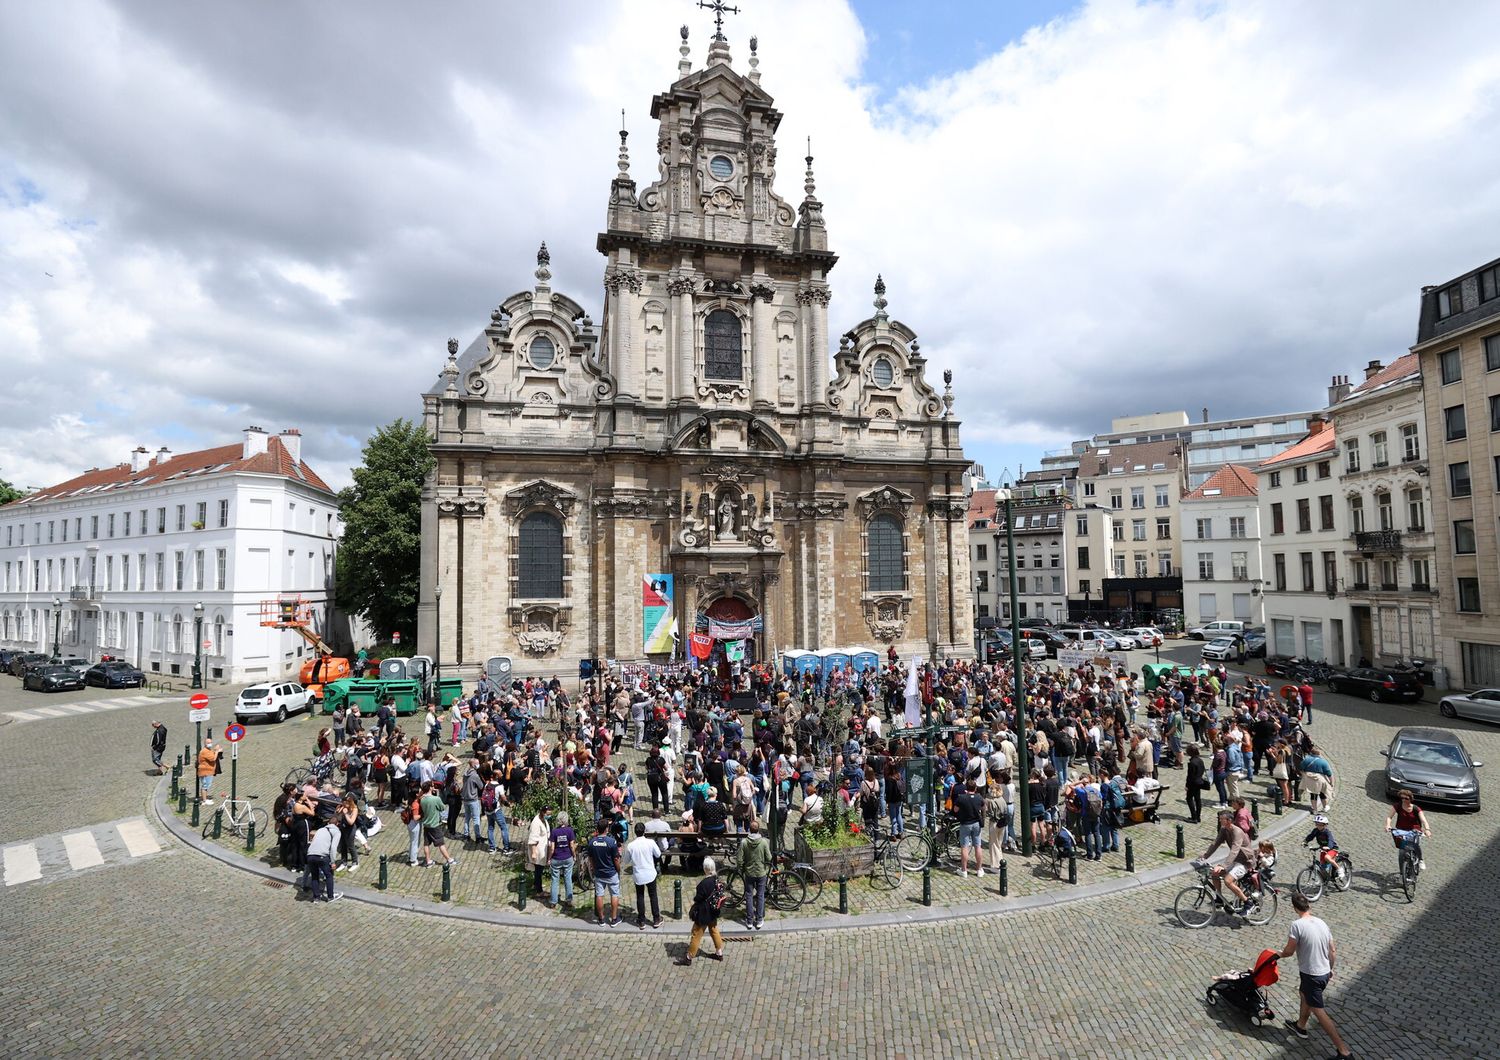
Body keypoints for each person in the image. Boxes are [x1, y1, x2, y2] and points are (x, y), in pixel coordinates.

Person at [1279, 891, 1353, 1058]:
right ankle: (1300, 1026)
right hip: (1324, 972)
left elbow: (1289, 951)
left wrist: (1278, 954)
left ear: (1294, 908)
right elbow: (1332, 950)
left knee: (1318, 1011)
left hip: (1311, 974)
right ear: (1309, 905)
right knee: (1304, 994)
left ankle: (1343, 1051)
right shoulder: (1322, 922)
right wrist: (1330, 969)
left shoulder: (1297, 925)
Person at [675, 858, 727, 966]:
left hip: (704, 913)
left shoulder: (703, 884)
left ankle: (689, 957)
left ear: (705, 869)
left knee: (696, 934)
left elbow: (698, 898)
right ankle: (719, 952)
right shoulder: (716, 879)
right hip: (713, 911)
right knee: (714, 930)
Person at [1201, 808, 1253, 911]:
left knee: (1228, 881)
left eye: (1222, 819)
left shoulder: (1237, 832)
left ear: (1229, 821)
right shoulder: (1224, 829)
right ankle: (1219, 899)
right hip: (1235, 860)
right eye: (1220, 819)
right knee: (1214, 874)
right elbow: (1216, 843)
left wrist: (1223, 866)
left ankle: (1248, 902)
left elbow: (1235, 850)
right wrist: (1205, 856)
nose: (1220, 821)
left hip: (1245, 862)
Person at [625, 822, 663, 929]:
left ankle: (641, 920)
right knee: (653, 895)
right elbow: (658, 854)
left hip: (638, 874)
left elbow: (626, 860)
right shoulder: (650, 842)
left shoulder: (631, 846)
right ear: (644, 831)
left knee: (640, 896)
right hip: (650, 872)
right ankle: (656, 919)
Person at [586, 817, 623, 926]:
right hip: (611, 873)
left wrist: (594, 869)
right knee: (614, 895)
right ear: (607, 829)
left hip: (599, 873)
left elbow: (591, 859)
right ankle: (614, 919)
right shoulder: (611, 842)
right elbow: (616, 859)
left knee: (599, 895)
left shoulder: (592, 842)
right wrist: (618, 869)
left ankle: (601, 919)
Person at [736, 821, 772, 929]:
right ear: (758, 829)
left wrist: (741, 869)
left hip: (749, 873)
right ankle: (759, 919)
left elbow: (739, 859)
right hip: (761, 872)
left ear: (750, 830)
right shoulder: (764, 842)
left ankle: (749, 920)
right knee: (760, 896)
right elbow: (769, 858)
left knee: (749, 895)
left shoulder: (744, 842)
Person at [1385, 788, 1431, 871]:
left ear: (1410, 799)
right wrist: (1388, 825)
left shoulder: (1416, 809)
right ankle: (1403, 871)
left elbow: (1424, 820)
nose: (1404, 800)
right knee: (1402, 849)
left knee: (1415, 845)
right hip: (1401, 830)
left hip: (1414, 830)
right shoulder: (1397, 806)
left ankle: (1420, 860)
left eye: (1406, 798)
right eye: (1402, 798)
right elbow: (1389, 816)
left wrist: (1427, 829)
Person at [419, 781, 458, 868]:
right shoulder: (435, 799)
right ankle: (449, 859)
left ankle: (428, 861)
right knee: (440, 843)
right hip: (435, 824)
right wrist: (436, 796)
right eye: (432, 786)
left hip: (426, 824)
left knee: (426, 844)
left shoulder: (422, 799)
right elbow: (442, 808)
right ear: (430, 788)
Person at [304, 815, 343, 903]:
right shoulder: (337, 832)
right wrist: (333, 862)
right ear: (337, 824)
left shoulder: (320, 830)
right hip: (322, 856)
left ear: (328, 823)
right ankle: (330, 897)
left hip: (310, 855)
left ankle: (316, 898)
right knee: (328, 875)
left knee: (314, 876)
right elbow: (333, 848)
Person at [952, 780, 984, 877]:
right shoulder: (979, 797)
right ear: (975, 788)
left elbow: (955, 809)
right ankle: (979, 869)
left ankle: (964, 870)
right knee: (978, 846)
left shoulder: (962, 798)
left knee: (964, 847)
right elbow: (983, 807)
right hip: (976, 824)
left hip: (965, 824)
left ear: (966, 788)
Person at [547, 810, 576, 907]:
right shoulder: (570, 830)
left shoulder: (554, 832)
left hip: (556, 858)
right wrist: (574, 855)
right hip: (568, 857)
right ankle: (569, 900)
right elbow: (572, 846)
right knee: (568, 878)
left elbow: (552, 848)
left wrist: (549, 858)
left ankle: (553, 902)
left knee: (555, 880)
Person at [527, 806, 552, 897]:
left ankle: (536, 884)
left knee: (539, 869)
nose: (549, 816)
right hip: (538, 851)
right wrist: (534, 852)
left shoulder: (543, 820)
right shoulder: (536, 822)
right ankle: (539, 891)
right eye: (548, 814)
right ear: (543, 812)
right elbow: (533, 838)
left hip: (542, 849)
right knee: (538, 870)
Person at [1184, 744, 1206, 824]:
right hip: (1199, 782)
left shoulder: (1192, 763)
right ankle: (1198, 816)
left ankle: (1194, 817)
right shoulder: (1200, 760)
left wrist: (1187, 786)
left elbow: (1190, 776)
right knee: (1197, 800)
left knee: (1189, 799)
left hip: (1193, 784)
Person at [196, 739, 223, 805]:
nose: (210, 743)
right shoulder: (205, 751)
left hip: (208, 771)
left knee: (207, 785)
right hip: (205, 771)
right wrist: (216, 751)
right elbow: (213, 758)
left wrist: (217, 750)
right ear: (205, 744)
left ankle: (205, 799)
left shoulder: (208, 750)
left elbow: (212, 754)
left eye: (211, 742)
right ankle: (204, 801)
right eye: (208, 742)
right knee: (205, 785)